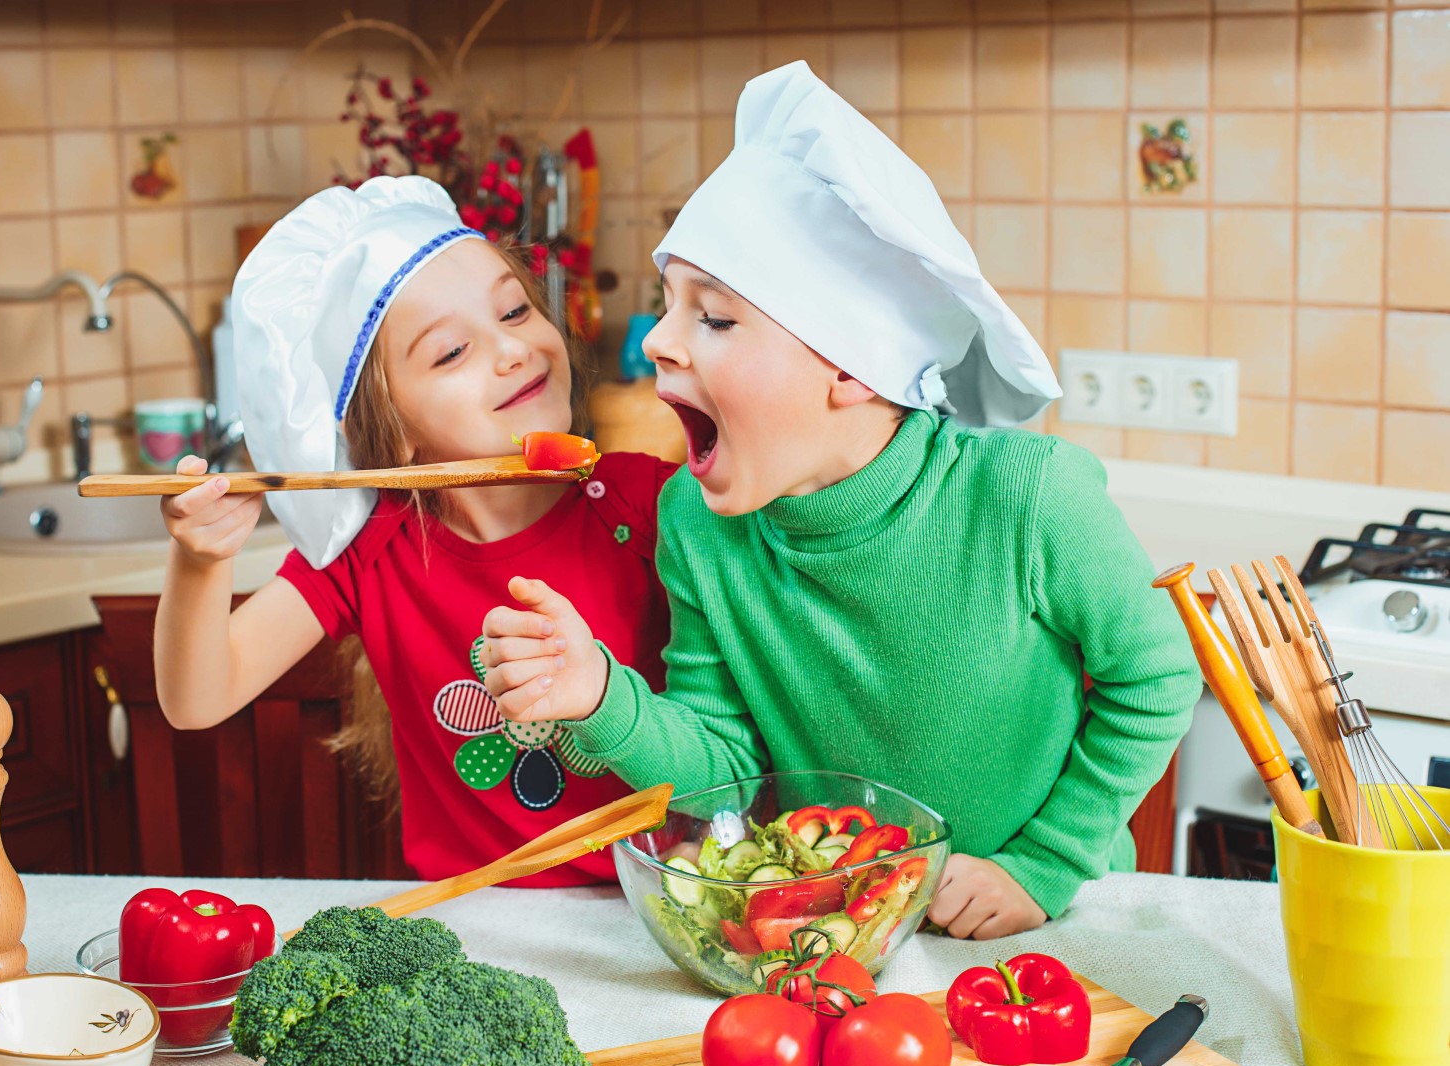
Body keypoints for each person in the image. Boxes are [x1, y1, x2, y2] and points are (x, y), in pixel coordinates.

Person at [480, 63, 1200, 935]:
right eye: (671, 305)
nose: (660, 342)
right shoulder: (698, 523)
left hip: (1049, 927)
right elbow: (729, 774)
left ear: (850, 367)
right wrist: (601, 696)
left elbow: (1159, 677)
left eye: (714, 317)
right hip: (833, 928)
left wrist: (1045, 864)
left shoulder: (1026, 498)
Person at [153, 176, 674, 886]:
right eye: (451, 352)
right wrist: (200, 560)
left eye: (517, 311)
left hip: (661, 914)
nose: (512, 349)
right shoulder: (374, 551)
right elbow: (196, 700)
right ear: (393, 431)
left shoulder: (647, 502)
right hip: (479, 931)